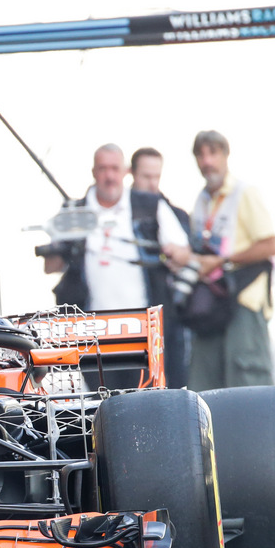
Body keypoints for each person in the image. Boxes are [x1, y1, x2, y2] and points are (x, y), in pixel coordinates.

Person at [42, 144, 190, 387]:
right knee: (105, 408)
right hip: (94, 335)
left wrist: (173, 253)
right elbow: (51, 267)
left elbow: (184, 254)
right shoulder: (74, 211)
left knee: (148, 402)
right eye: (103, 169)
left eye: (114, 169)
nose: (109, 176)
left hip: (144, 332)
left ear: (125, 172)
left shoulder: (150, 205)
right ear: (93, 172)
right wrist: (64, 243)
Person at [182, 130, 275, 392]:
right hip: (212, 299)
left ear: (225, 155)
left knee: (247, 377)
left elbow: (269, 245)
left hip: (244, 294)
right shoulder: (201, 200)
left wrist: (223, 260)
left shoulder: (244, 193)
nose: (207, 161)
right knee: (205, 380)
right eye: (200, 155)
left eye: (213, 153)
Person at [130, 145, 192, 388]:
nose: (152, 183)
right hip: (131, 317)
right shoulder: (120, 214)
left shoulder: (173, 214)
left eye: (157, 176)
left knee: (173, 383)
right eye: (146, 176)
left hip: (169, 316)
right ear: (132, 174)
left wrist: (177, 254)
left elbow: (186, 255)